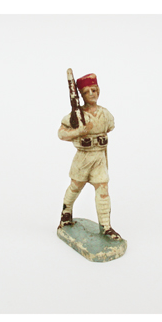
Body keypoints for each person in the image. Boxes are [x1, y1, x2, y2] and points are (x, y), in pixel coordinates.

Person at [57, 73, 121, 240]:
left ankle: (106, 226)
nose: (91, 94)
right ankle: (66, 214)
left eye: (94, 90)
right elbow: (61, 133)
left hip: (99, 157)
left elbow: (110, 127)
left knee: (103, 189)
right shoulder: (76, 115)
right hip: (83, 158)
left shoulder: (105, 114)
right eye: (86, 92)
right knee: (75, 187)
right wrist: (79, 131)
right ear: (81, 95)